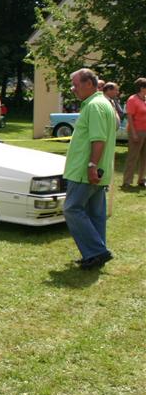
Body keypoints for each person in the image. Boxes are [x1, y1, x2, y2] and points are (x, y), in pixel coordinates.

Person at [63, 68, 116, 269]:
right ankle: (94, 254)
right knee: (95, 213)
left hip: (85, 171)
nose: (73, 89)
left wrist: (92, 165)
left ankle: (97, 251)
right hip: (96, 170)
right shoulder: (103, 103)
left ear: (89, 84)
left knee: (72, 209)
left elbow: (98, 139)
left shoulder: (94, 106)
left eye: (76, 85)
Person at [122, 77, 146, 188]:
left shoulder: (145, 99)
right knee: (133, 157)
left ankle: (141, 179)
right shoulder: (132, 99)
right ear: (142, 88)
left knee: (144, 157)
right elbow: (130, 117)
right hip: (136, 131)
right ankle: (127, 181)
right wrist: (134, 133)